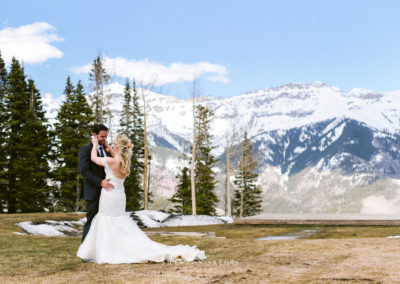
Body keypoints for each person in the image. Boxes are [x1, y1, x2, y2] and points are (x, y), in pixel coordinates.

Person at [77, 134, 206, 264]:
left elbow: (93, 158)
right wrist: (108, 146)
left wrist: (94, 144)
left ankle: (110, 249)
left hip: (109, 195)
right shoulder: (124, 161)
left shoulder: (111, 161)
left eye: (113, 144)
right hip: (120, 195)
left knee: (107, 219)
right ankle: (119, 247)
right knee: (118, 220)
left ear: (116, 147)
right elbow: (115, 152)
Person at [79, 124, 114, 242]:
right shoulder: (86, 149)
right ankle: (86, 252)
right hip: (93, 191)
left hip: (107, 192)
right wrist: (100, 182)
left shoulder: (106, 149)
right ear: (95, 135)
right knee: (92, 221)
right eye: (102, 137)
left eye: (106, 137)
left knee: (105, 221)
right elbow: (84, 171)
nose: (104, 139)